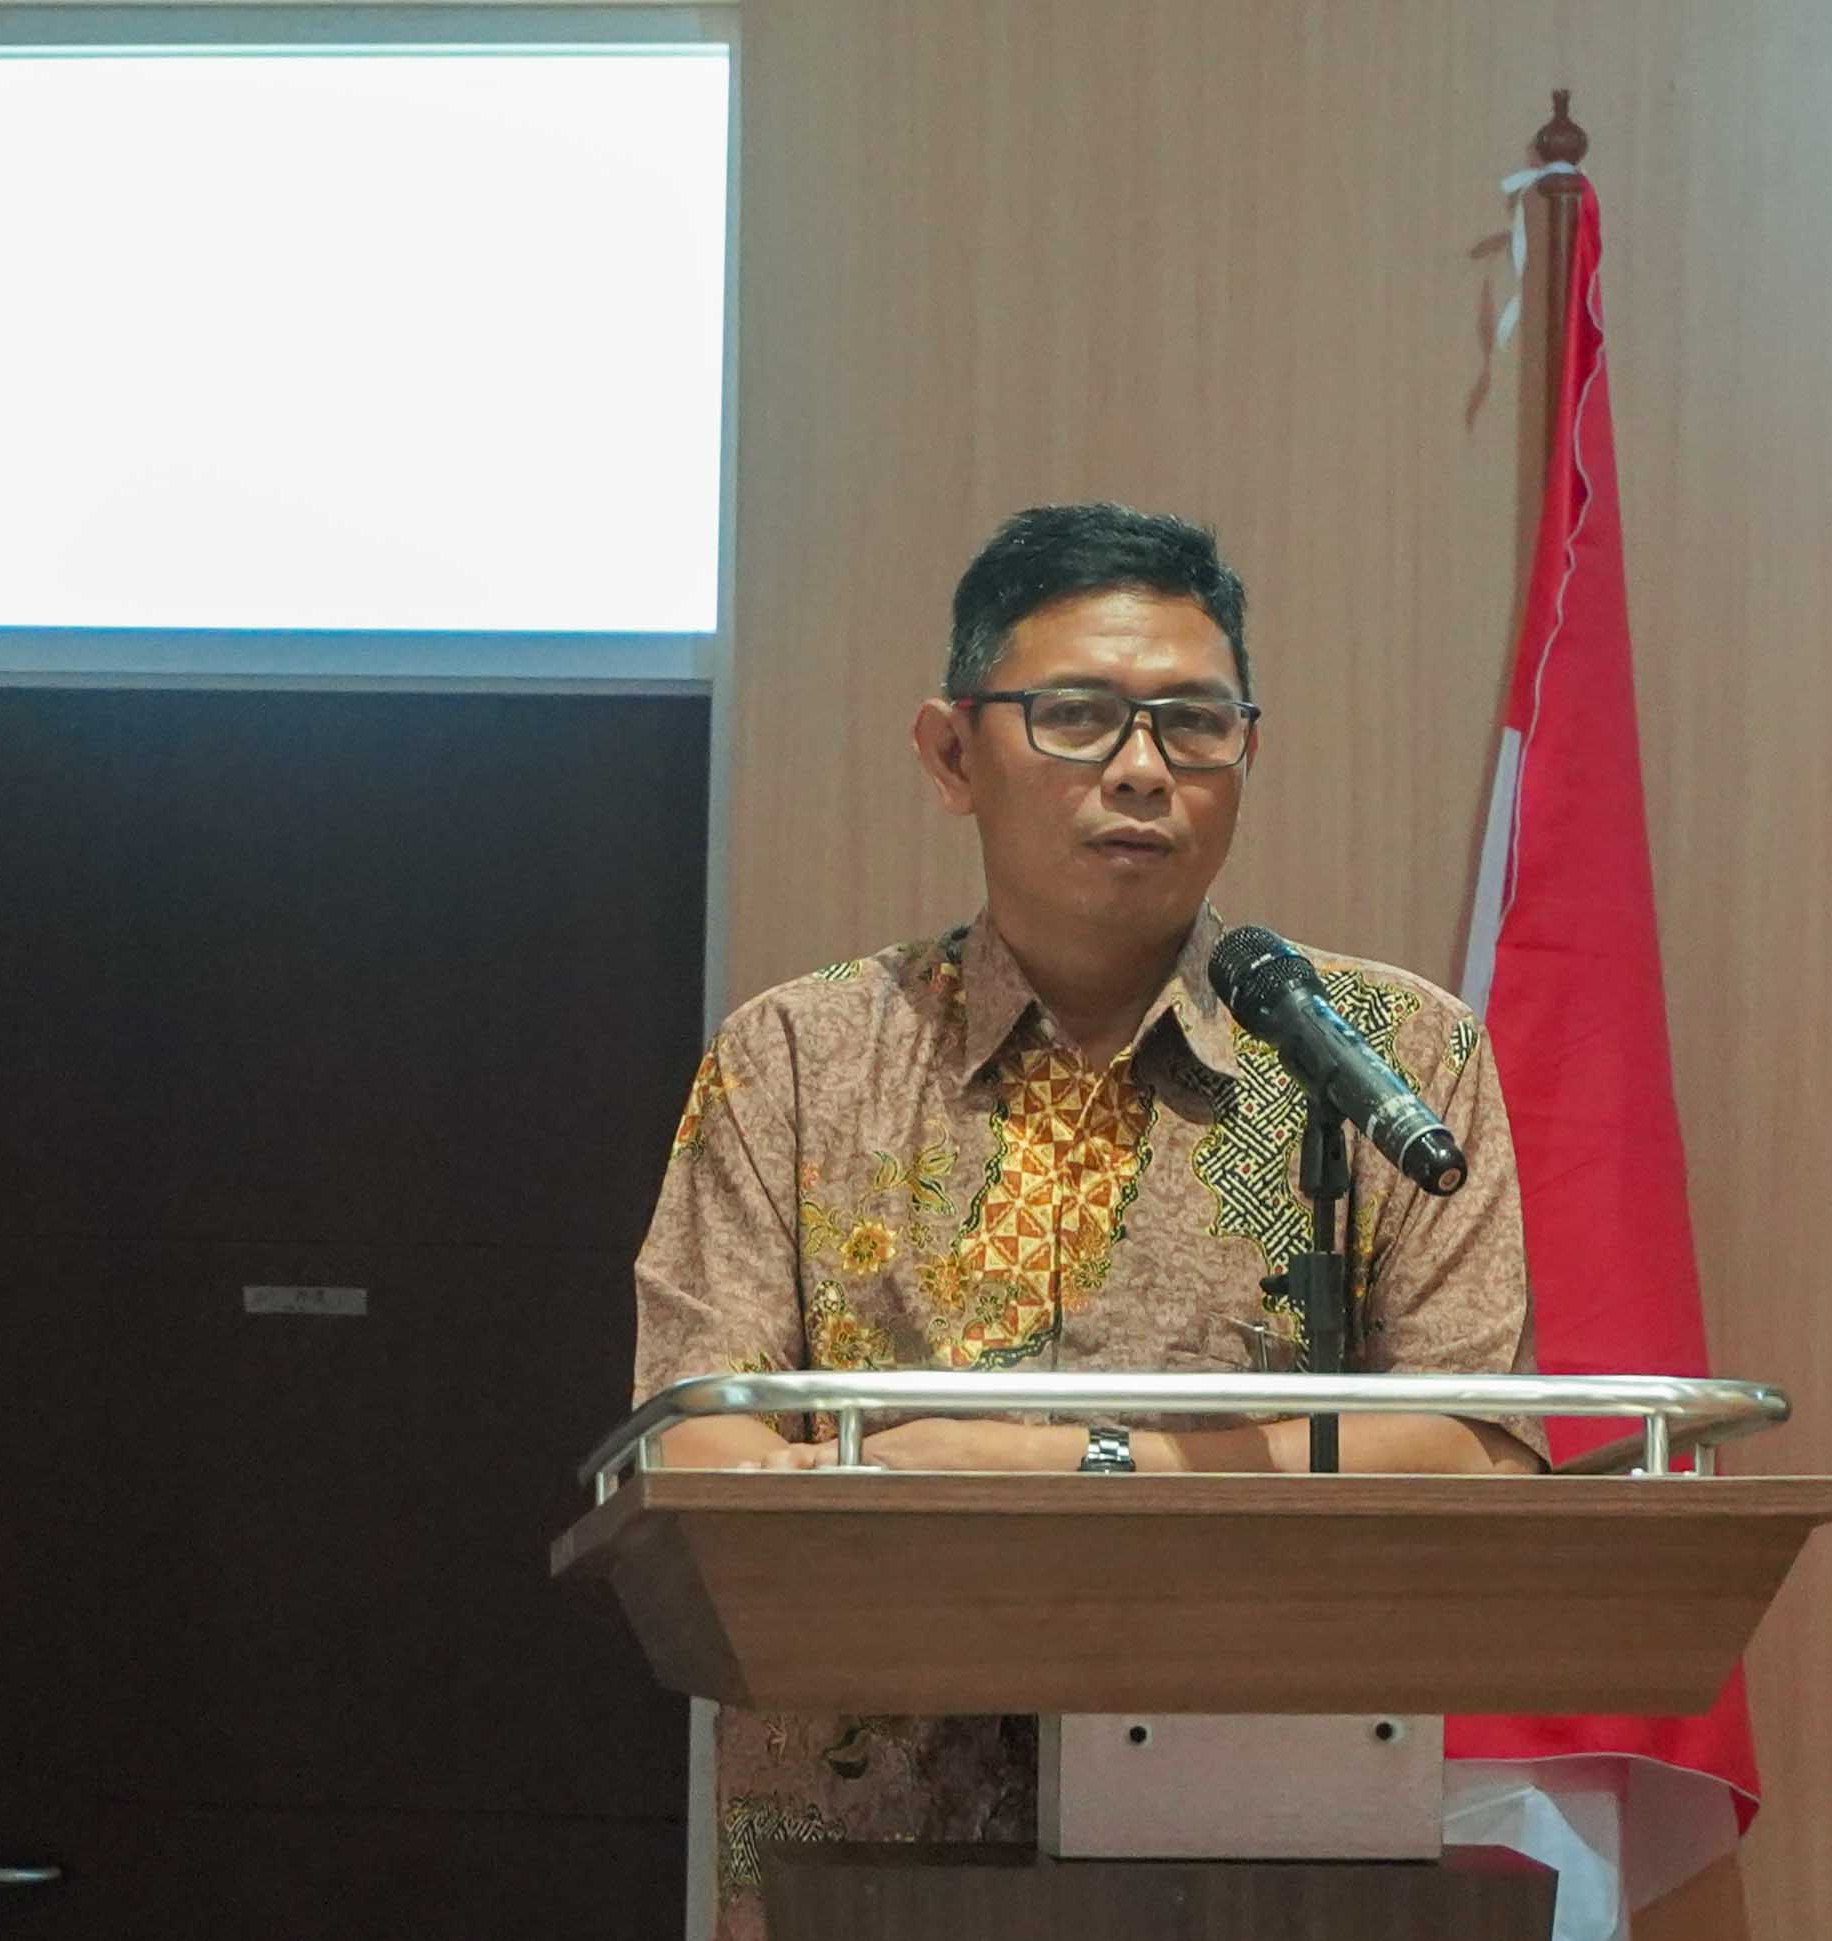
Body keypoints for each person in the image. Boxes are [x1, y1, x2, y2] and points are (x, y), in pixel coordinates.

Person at [629, 501, 1544, 1939]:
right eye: (1075, 716)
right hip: (866, 1865)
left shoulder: (1390, 1058)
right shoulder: (798, 1061)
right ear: (952, 753)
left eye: (1196, 724)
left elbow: (1477, 1449)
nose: (1141, 769)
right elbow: (701, 1452)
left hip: (1269, 1866)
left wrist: (1047, 1458)